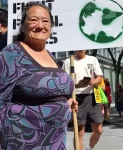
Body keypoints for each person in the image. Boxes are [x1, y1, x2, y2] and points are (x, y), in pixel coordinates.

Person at [0, 2, 78, 149]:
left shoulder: (49, 54)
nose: (40, 25)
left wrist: (65, 102)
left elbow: (45, 92)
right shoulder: (11, 55)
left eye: (45, 21)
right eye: (33, 20)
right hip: (24, 141)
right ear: (23, 25)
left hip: (56, 140)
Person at [63, 50, 103, 150]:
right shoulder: (68, 61)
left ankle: (89, 147)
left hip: (92, 96)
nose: (81, 48)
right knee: (79, 131)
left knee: (98, 130)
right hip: (77, 97)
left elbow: (99, 77)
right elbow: (63, 80)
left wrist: (94, 81)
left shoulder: (93, 59)